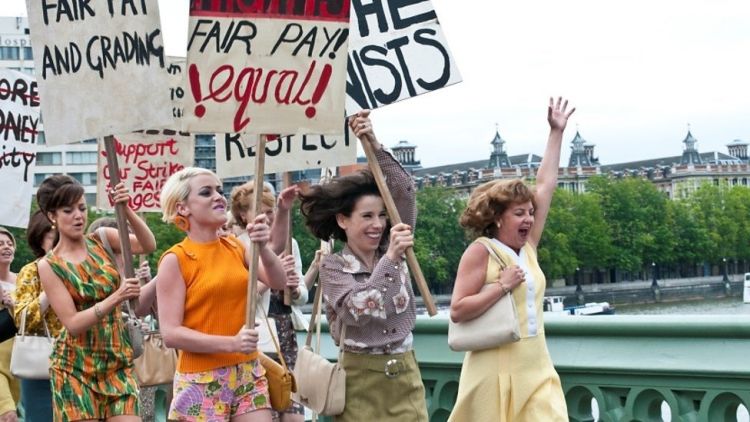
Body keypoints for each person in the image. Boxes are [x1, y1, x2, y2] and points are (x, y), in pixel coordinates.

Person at [448, 97, 575, 422]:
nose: (529, 219)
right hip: (495, 368)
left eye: (530, 212)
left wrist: (556, 132)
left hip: (537, 365)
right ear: (498, 217)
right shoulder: (481, 251)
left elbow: (546, 184)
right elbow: (458, 310)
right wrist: (500, 287)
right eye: (519, 213)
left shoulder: (528, 245)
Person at [299, 110, 428, 421]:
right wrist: (391, 261)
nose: (379, 225)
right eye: (367, 217)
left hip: (406, 376)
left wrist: (372, 141)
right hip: (359, 384)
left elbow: (404, 189)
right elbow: (356, 310)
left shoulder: (393, 242)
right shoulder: (333, 265)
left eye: (382, 215)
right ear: (343, 220)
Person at [156, 167, 288, 421]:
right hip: (201, 379)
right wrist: (232, 344)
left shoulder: (235, 246)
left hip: (248, 370)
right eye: (206, 192)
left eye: (219, 190)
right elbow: (171, 333)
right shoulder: (176, 259)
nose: (218, 196)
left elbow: (278, 281)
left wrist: (264, 247)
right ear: (183, 208)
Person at [36, 175, 157, 421]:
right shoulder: (49, 265)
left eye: (82, 208)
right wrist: (117, 296)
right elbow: (72, 323)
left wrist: (126, 209)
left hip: (116, 361)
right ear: (52, 216)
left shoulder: (102, 238)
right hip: (75, 368)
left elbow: (148, 245)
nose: (78, 216)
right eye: (68, 210)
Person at [230, 181, 307, 422]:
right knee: (268, 411)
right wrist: (272, 278)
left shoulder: (290, 243)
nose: (267, 217)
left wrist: (293, 289)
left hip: (286, 334)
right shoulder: (237, 246)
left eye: (270, 211)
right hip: (258, 337)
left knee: (294, 412)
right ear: (244, 215)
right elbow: (242, 299)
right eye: (261, 212)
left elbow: (302, 296)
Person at [12, 211, 59, 421]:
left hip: (80, 362)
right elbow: (23, 319)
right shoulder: (30, 271)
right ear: (39, 238)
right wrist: (52, 285)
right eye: (53, 235)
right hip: (41, 368)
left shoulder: (82, 270)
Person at [0, 227, 19, 422]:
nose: (6, 247)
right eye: (0, 244)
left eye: (9, 243)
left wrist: (15, 305)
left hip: (20, 359)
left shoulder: (24, 279)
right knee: (8, 415)